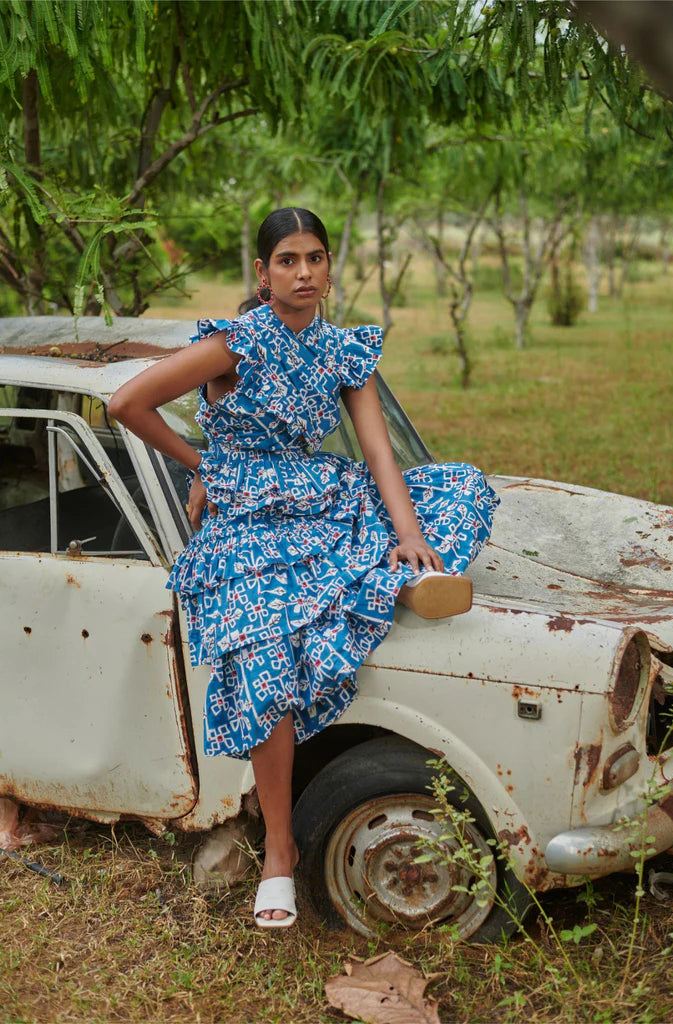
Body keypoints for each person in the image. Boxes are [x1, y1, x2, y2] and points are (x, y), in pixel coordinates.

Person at [108, 207, 499, 928]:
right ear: (262, 274)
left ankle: (390, 567)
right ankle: (280, 852)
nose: (304, 273)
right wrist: (208, 465)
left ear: (327, 267)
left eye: (315, 259)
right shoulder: (236, 343)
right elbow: (128, 402)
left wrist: (409, 534)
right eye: (287, 260)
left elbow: (378, 451)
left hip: (319, 495)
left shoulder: (344, 348)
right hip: (248, 522)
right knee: (264, 659)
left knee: (463, 486)